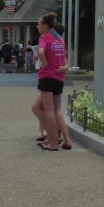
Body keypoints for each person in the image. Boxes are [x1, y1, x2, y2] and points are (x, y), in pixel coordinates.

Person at [33, 13, 71, 151]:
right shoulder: (59, 39)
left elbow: (41, 51)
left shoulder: (45, 37)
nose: (37, 27)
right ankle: (61, 139)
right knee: (56, 110)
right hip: (59, 78)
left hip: (47, 76)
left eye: (39, 24)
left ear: (45, 26)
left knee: (48, 110)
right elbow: (64, 59)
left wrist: (43, 63)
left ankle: (53, 143)